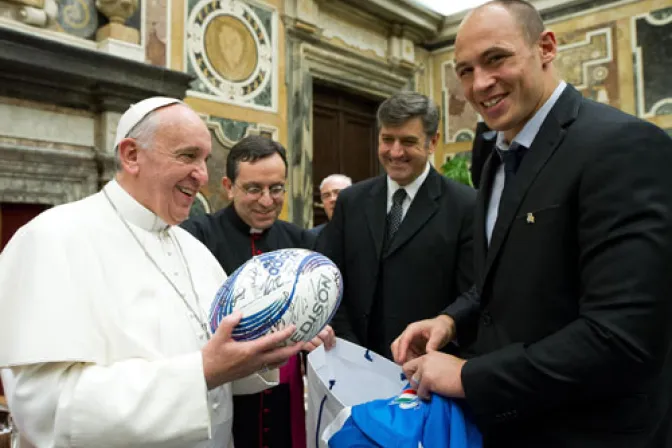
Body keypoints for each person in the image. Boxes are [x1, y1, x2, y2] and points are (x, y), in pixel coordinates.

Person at [391, 2, 672, 447]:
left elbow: (623, 337)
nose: (479, 84)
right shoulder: (492, 154)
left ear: (546, 47)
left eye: (496, 58)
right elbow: (505, 276)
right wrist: (450, 319)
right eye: (465, 70)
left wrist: (470, 376)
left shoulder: (623, 146)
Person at [0, 97, 304, 448]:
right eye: (188, 156)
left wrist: (266, 347)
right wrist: (201, 372)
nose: (202, 175)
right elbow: (46, 411)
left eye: (205, 159)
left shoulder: (195, 250)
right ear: (131, 155)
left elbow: (223, 365)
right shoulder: (52, 238)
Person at [181, 135, 332, 448]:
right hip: (223, 391)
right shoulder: (197, 237)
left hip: (283, 391)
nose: (267, 200)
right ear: (229, 186)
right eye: (254, 189)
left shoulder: (300, 241)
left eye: (276, 188)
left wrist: (321, 327)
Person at [315, 92, 476, 360]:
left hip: (423, 366)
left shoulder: (465, 206)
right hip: (349, 361)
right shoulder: (351, 201)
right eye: (387, 139)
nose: (395, 152)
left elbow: (472, 292)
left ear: (432, 142)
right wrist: (348, 347)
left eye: (408, 142)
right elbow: (329, 276)